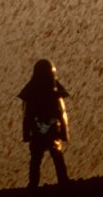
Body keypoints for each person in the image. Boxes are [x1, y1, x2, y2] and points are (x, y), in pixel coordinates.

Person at [18, 59, 70, 188]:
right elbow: (60, 113)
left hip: (44, 129)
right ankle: (59, 181)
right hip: (46, 129)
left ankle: (37, 184)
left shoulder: (34, 92)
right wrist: (63, 131)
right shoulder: (51, 92)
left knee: (41, 157)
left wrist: (26, 132)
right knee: (45, 157)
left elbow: (60, 113)